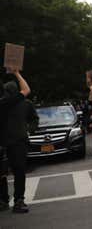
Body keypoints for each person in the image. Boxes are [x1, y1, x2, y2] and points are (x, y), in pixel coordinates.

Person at [0, 68, 32, 213]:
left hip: (10, 143)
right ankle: (16, 201)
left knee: (5, 173)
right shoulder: (9, 102)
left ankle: (5, 201)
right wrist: (16, 72)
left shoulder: (7, 102)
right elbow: (26, 89)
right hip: (15, 142)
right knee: (18, 172)